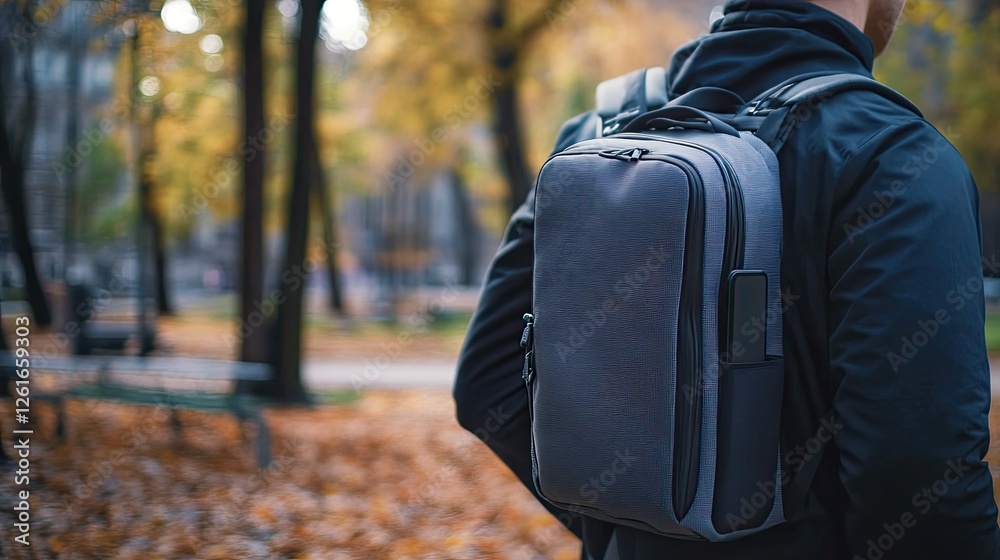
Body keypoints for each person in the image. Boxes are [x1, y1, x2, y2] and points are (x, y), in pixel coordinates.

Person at [453, 0, 1000, 558]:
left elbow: (487, 383)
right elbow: (920, 469)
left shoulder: (596, 133)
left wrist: (629, 523)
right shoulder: (895, 156)